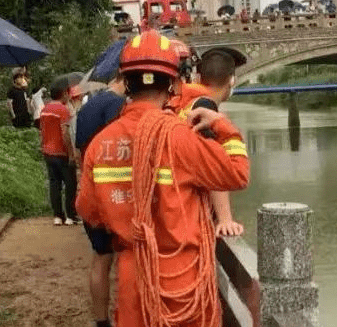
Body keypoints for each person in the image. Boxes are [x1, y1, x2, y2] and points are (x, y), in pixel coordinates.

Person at [76, 30, 250, 327]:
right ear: (173, 82)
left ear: (126, 81)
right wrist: (222, 125)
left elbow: (89, 212)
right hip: (185, 281)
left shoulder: (102, 144)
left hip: (135, 279)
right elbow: (237, 173)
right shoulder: (180, 137)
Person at [168, 45, 247, 237]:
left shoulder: (185, 100)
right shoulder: (204, 107)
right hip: (189, 211)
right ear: (232, 80)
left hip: (174, 203)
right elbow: (213, 163)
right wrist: (225, 219)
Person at [75, 73, 127, 327]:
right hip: (112, 193)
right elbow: (119, 147)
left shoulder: (87, 107)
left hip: (89, 190)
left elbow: (77, 151)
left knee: (101, 256)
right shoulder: (117, 106)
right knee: (127, 260)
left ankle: (101, 320)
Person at [39, 85, 78, 225]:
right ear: (63, 94)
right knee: (70, 183)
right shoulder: (63, 110)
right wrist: (71, 153)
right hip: (62, 152)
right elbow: (65, 133)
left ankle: (57, 215)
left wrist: (42, 146)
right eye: (67, 93)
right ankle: (70, 215)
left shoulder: (44, 109)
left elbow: (41, 131)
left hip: (48, 151)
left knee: (54, 184)